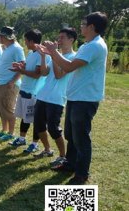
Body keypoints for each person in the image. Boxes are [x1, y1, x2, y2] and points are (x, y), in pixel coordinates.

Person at [40, 12, 108, 185]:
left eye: (84, 24)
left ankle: (82, 174)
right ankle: (70, 163)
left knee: (81, 137)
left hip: (85, 99)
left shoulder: (95, 46)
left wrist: (53, 52)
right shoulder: (89, 44)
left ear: (92, 27)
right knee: (71, 134)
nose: (81, 26)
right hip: (76, 97)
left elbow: (68, 67)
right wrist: (52, 53)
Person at [32, 28, 77, 162]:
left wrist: (53, 53)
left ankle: (63, 156)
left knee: (53, 128)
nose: (59, 40)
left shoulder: (72, 58)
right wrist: (42, 56)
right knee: (39, 125)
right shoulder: (56, 55)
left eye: (62, 37)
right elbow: (45, 73)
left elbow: (59, 75)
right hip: (43, 95)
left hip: (56, 98)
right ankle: (47, 149)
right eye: (59, 37)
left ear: (71, 40)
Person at [9, 29, 50, 153]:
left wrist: (21, 71)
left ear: (32, 41)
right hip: (24, 89)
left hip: (33, 92)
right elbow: (29, 68)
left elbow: (37, 75)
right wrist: (20, 66)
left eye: (26, 41)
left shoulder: (42, 55)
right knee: (25, 117)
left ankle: (34, 143)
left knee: (35, 119)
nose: (25, 43)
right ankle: (21, 138)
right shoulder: (32, 53)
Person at [0, 26, 25, 141]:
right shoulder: (6, 47)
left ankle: (11, 133)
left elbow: (22, 65)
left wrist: (12, 81)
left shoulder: (17, 48)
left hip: (9, 84)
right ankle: (4, 130)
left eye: (0, 35)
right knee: (0, 108)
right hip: (0, 82)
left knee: (8, 109)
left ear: (6, 37)